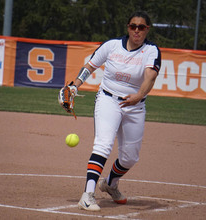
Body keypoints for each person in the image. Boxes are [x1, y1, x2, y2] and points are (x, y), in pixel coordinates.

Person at [69, 11, 161, 211]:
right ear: (127, 28)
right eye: (133, 26)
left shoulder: (151, 51)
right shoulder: (111, 46)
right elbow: (90, 66)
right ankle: (87, 194)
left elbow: (149, 78)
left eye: (141, 27)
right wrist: (75, 85)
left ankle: (110, 183)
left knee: (130, 157)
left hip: (135, 106)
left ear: (147, 30)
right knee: (103, 145)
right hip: (108, 99)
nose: (136, 30)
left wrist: (138, 96)